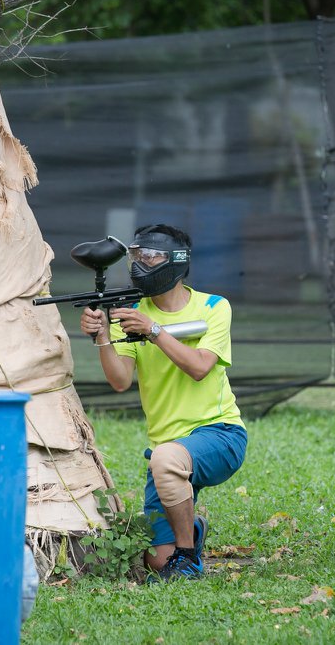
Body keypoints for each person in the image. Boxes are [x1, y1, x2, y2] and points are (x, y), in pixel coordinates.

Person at [79, 223, 247, 582]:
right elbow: (120, 380)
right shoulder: (132, 313)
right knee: (156, 559)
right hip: (165, 448)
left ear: (177, 262)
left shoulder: (214, 306)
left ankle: (187, 558)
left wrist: (153, 331)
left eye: (151, 257)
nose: (141, 264)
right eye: (136, 256)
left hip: (219, 433)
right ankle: (192, 532)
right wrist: (103, 336)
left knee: (166, 458)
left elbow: (201, 368)